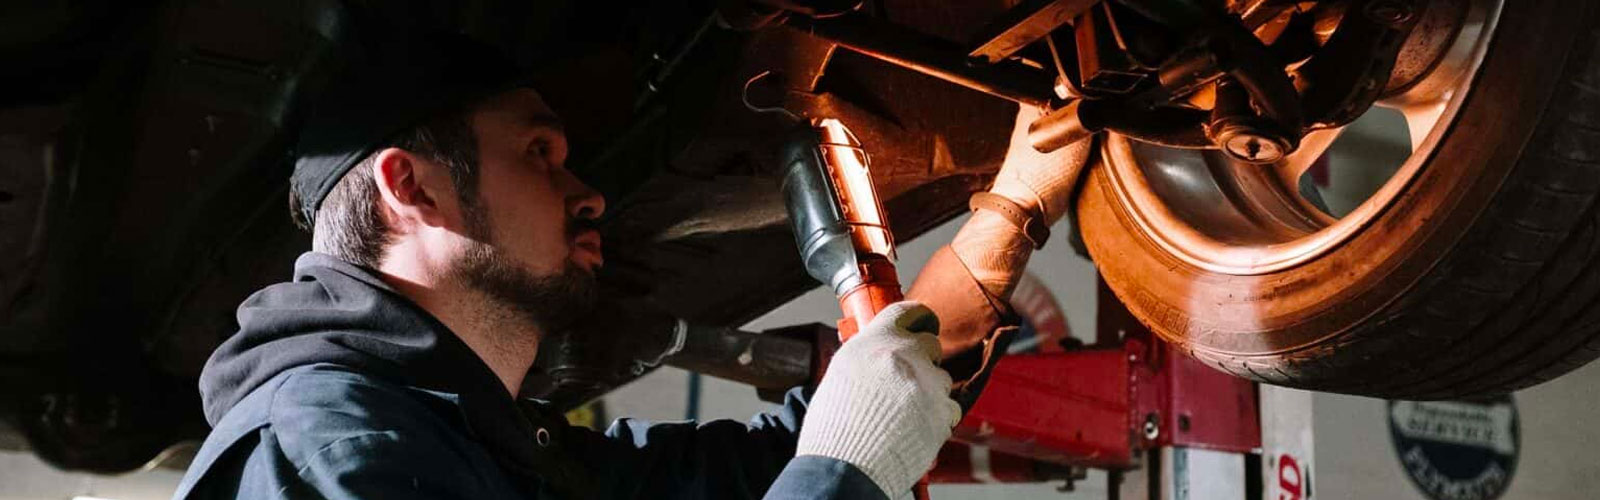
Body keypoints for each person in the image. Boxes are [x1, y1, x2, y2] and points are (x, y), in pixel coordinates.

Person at [172, 28, 1087, 500]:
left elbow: (790, 458)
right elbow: (831, 463)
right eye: (539, 153)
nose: (589, 192)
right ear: (411, 187)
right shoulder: (328, 457)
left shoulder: (474, 441)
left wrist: (1009, 215)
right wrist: (844, 479)